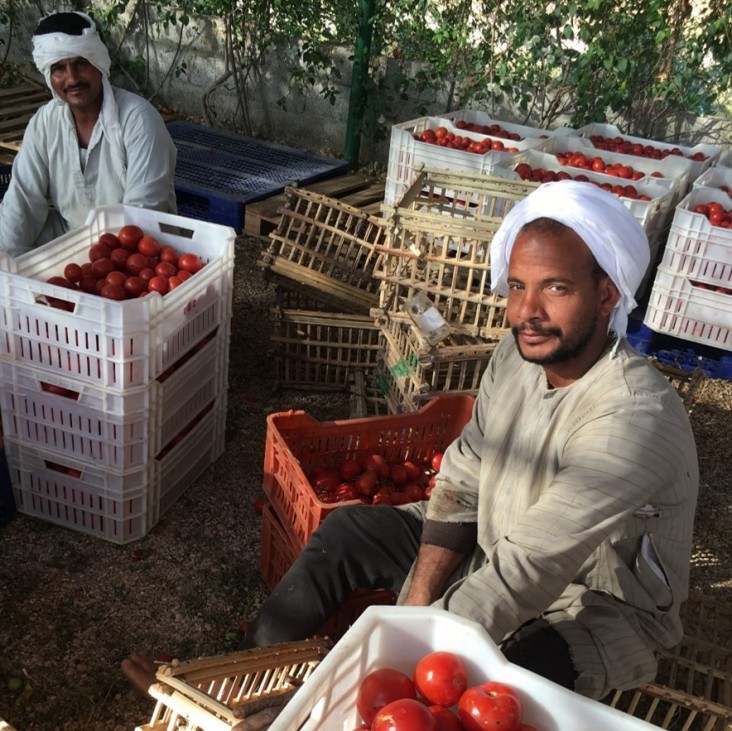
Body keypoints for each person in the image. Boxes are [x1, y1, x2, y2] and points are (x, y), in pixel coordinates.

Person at [123, 180, 699, 717]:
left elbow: (528, 569)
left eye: (556, 288)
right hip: (493, 542)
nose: (526, 312)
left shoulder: (633, 416)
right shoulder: (518, 356)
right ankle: (245, 681)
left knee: (487, 685)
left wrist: (366, 670)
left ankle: (297, 711)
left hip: (588, 602)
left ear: (607, 295)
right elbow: (466, 471)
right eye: (518, 286)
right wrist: (418, 599)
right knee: (347, 534)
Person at [0, 11, 177, 257]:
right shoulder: (45, 122)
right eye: (59, 68)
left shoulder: (138, 119)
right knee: (12, 234)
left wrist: (94, 276)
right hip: (71, 241)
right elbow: (22, 200)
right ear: (49, 76)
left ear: (98, 64)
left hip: (136, 254)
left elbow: (142, 215)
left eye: (81, 63)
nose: (72, 78)